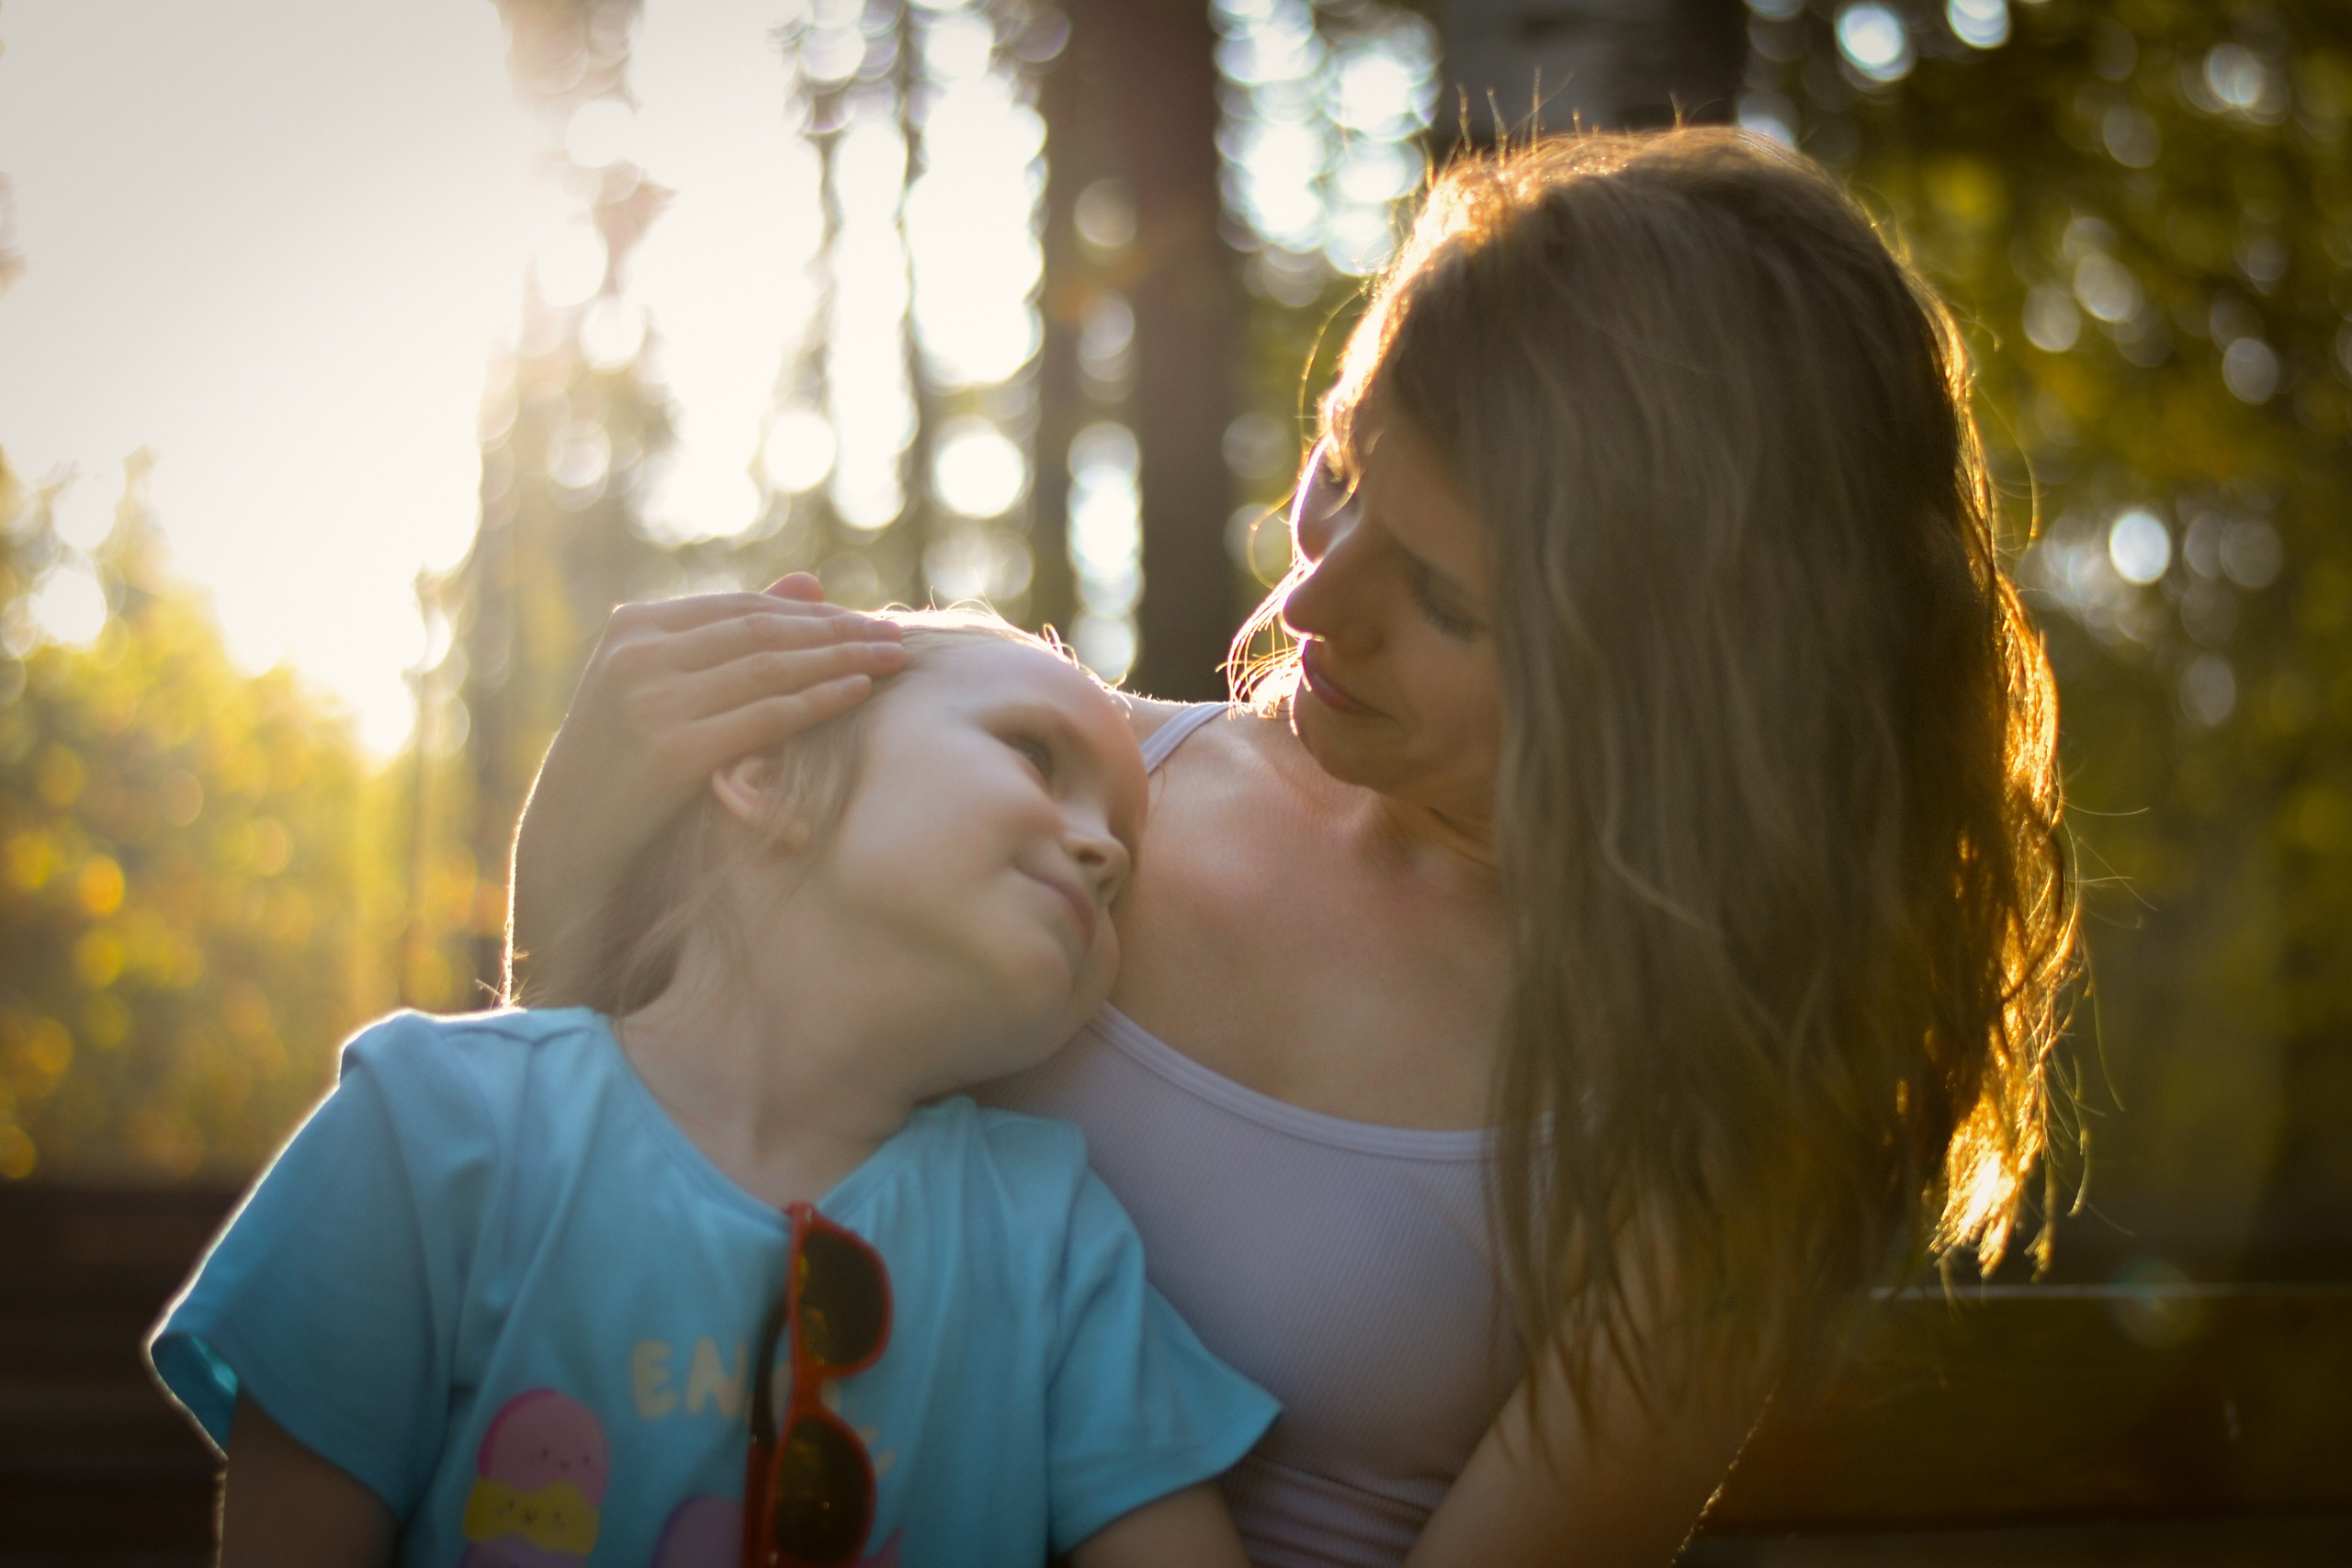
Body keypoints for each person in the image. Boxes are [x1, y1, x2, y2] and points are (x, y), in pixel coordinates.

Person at [508, 128, 2077, 1567]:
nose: (1314, 600)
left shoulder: (1711, 1110)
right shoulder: (1022, 765)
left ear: (1673, 678)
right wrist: (572, 863)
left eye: (1447, 599)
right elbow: (560, 1225)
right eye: (1341, 466)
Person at [149, 614, 1281, 1568]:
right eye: (1037, 758)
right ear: (769, 772)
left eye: (1127, 849)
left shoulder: (1055, 1241)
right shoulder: (428, 1131)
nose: (1107, 854)